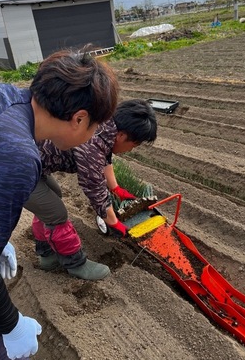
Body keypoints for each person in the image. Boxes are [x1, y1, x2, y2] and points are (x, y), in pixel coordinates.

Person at [0, 48, 119, 360]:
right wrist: (11, 325)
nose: (96, 135)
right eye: (98, 126)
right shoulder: (14, 154)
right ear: (79, 118)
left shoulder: (0, 95)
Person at [24, 99, 157, 280]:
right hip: (18, 169)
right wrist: (113, 221)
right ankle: (76, 264)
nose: (131, 151)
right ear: (122, 136)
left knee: (52, 198)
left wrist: (116, 188)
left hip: (34, 165)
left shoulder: (105, 125)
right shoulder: (92, 144)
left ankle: (46, 256)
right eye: (134, 145)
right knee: (56, 213)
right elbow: (94, 188)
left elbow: (105, 159)